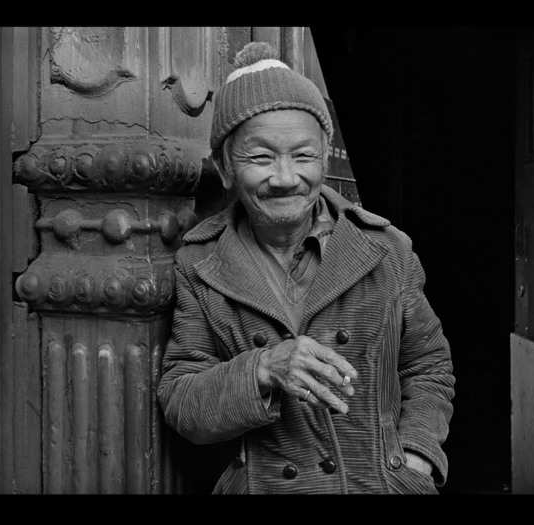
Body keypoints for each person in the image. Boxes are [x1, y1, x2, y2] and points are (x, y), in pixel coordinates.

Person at [157, 41, 455, 494]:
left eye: (303, 156)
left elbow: (429, 366)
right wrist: (262, 368)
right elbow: (181, 400)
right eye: (260, 158)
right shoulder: (199, 264)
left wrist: (415, 458)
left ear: (323, 155)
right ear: (224, 167)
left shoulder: (386, 250)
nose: (285, 178)